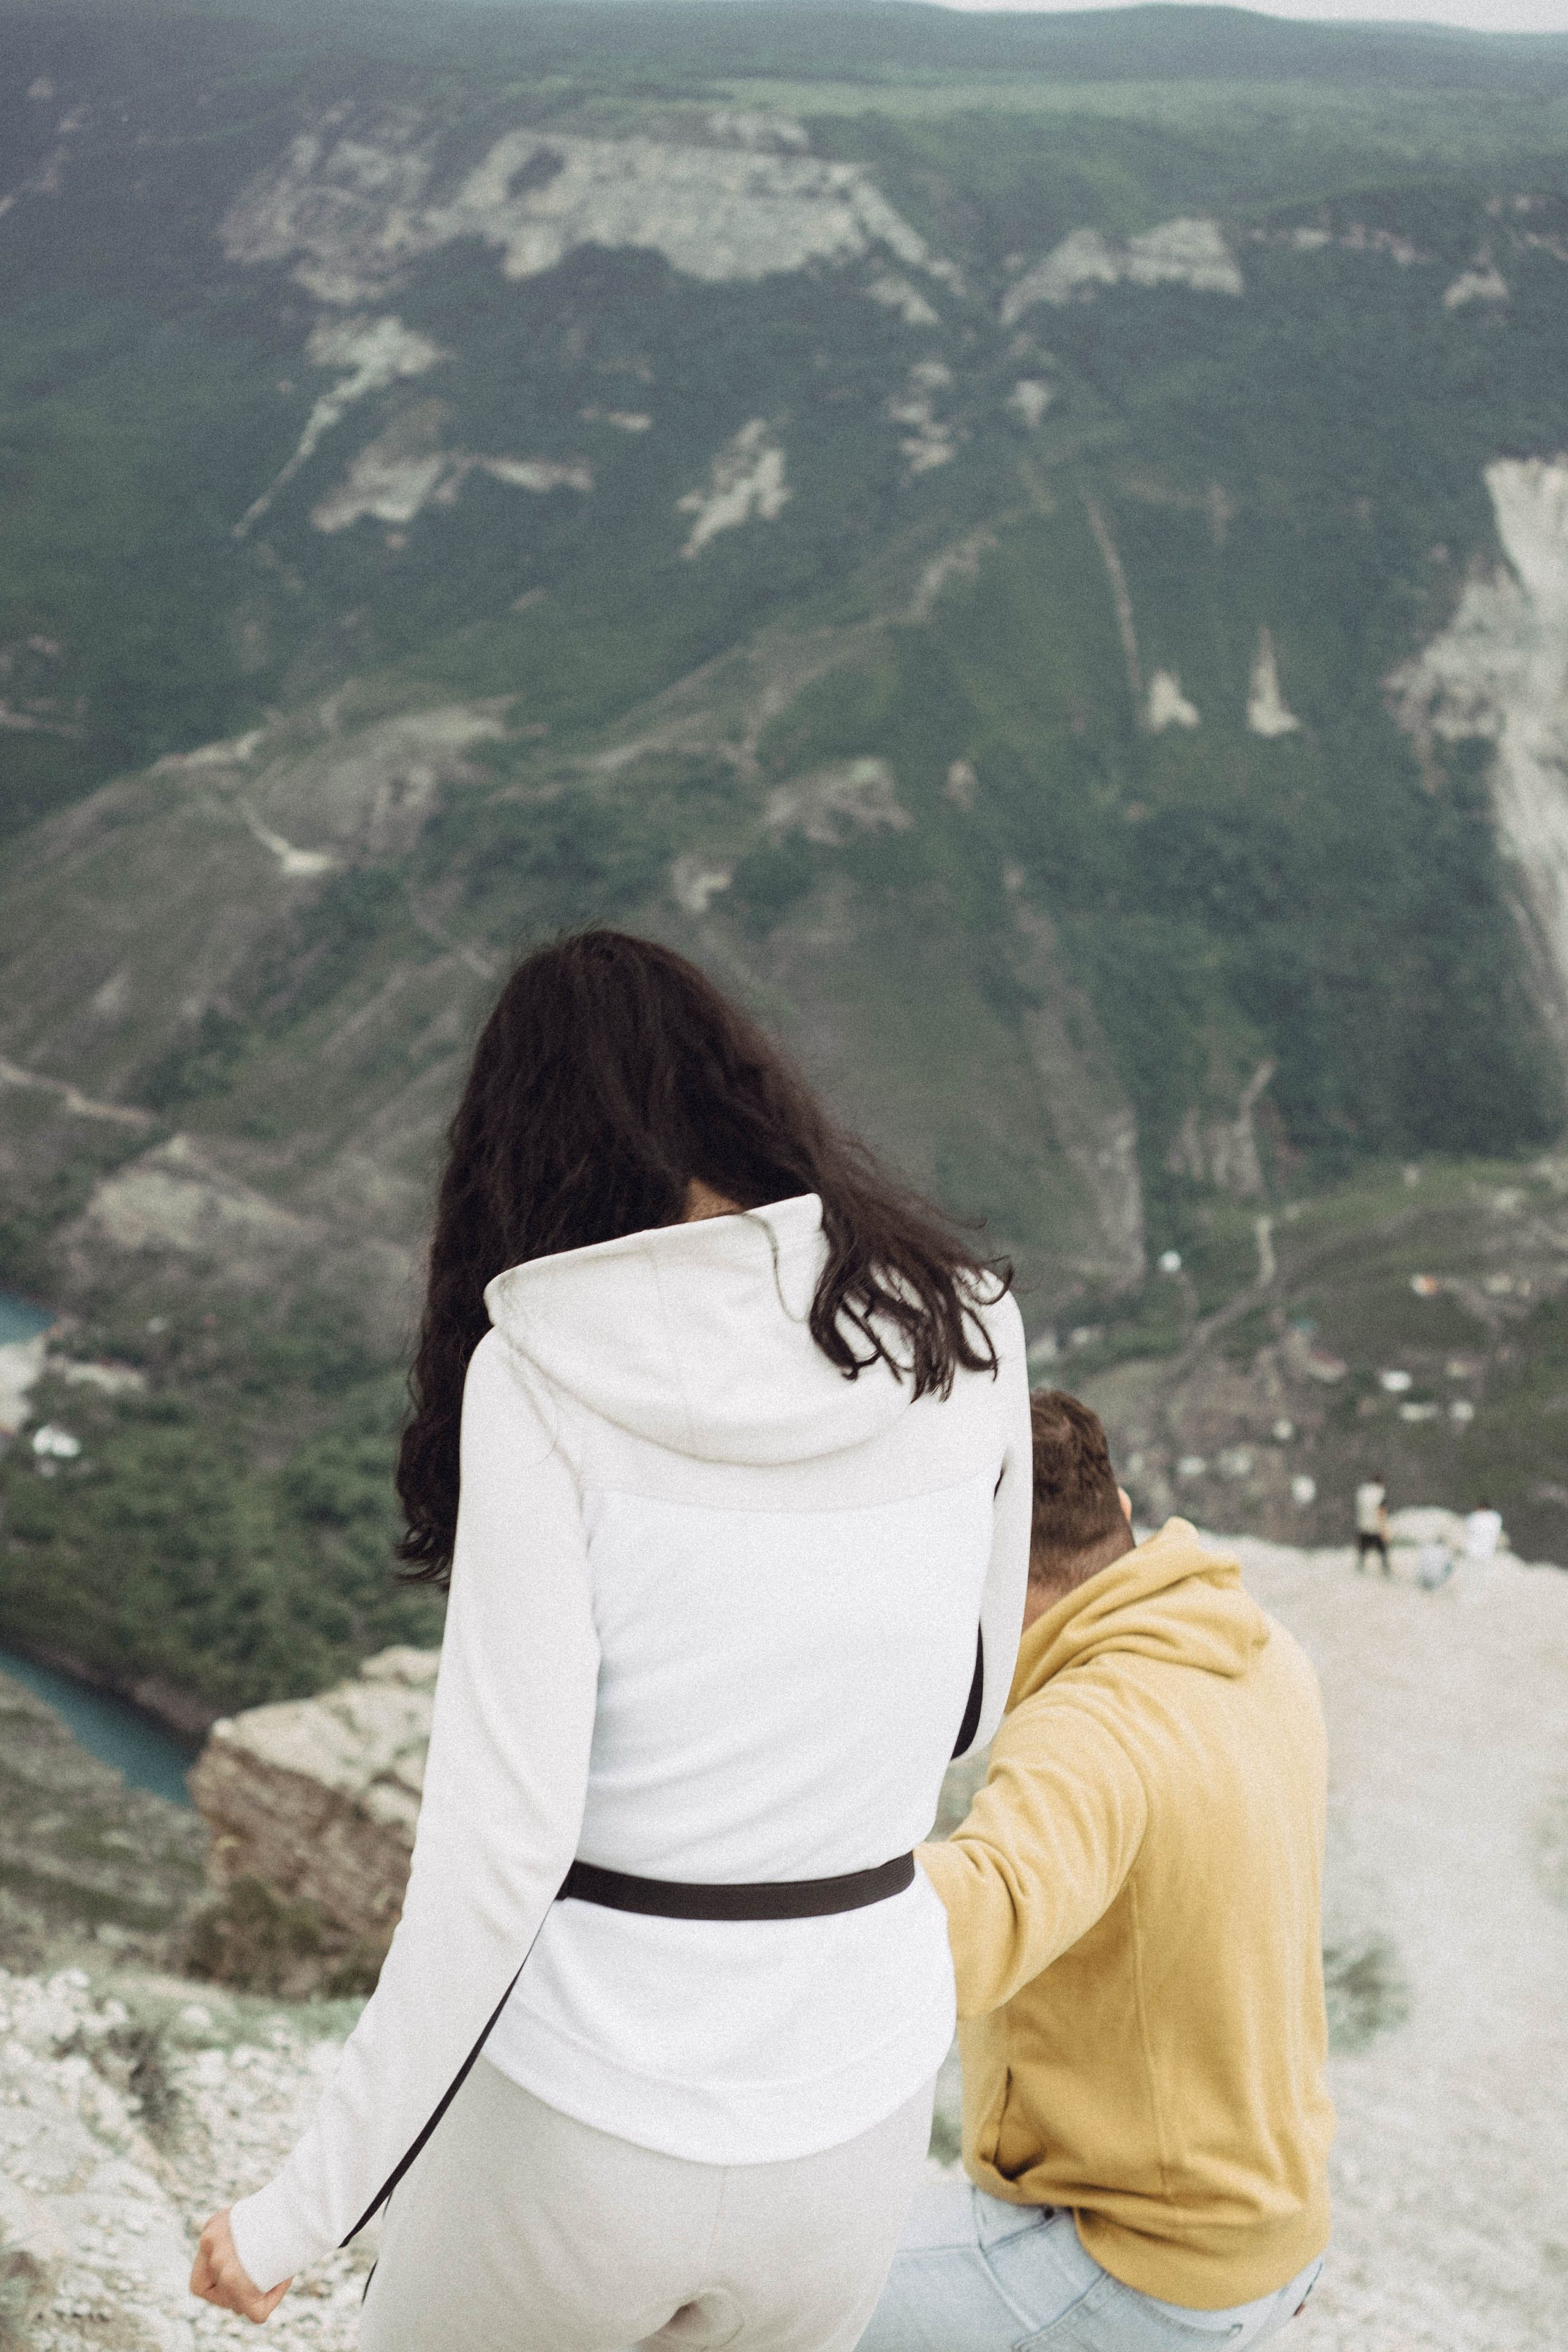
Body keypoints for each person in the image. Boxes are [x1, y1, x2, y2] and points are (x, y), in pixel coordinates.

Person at [189, 930, 1031, 2352]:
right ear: (740, 1088)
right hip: (852, 2101)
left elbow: (497, 1858)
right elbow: (968, 1710)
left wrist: (297, 2213)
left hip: (585, 2109)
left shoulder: (539, 1374)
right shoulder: (972, 1325)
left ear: (521, 1150)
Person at [860, 1391, 1333, 2352]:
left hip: (1134, 2258)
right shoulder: (1261, 1649)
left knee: (750, 2311)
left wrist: (783, 1862)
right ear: (1117, 1510)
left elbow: (970, 1930)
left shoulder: (1085, 1724)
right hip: (1275, 2228)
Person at [1354, 1473, 1389, 1573]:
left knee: (1362, 1552)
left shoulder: (1363, 1492)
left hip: (1363, 1527)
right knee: (1383, 1552)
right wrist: (1384, 1530)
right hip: (1376, 1528)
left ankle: (1359, 1571)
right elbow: (1381, 1512)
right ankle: (1386, 1572)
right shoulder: (1380, 1493)